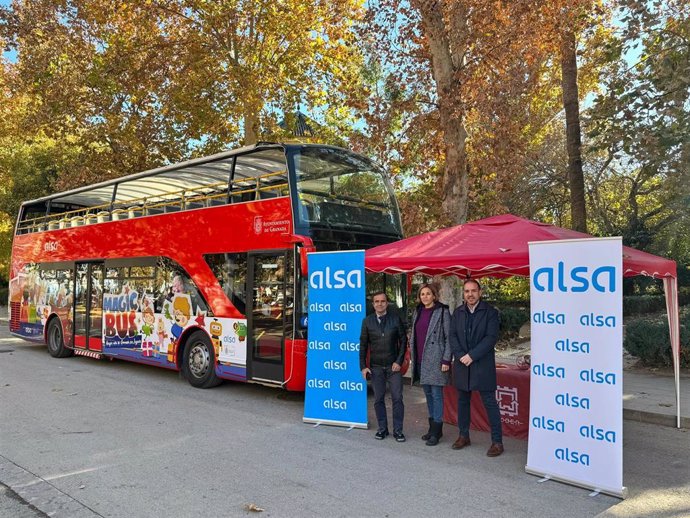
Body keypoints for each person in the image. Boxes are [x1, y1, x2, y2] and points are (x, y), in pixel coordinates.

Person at [449, 279, 504, 457]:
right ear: (463, 294)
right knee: (463, 402)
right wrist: (460, 356)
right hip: (462, 364)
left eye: (473, 291)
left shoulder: (490, 312)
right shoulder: (458, 313)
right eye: (466, 291)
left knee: (490, 403)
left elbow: (490, 338)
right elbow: (453, 336)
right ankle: (464, 436)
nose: (470, 294)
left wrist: (472, 355)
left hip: (482, 364)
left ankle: (497, 442)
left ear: (480, 292)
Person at [360, 291, 407, 442]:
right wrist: (363, 366)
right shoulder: (367, 321)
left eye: (383, 301)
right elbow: (363, 345)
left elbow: (403, 342)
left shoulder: (395, 319)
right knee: (378, 399)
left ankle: (398, 431)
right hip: (376, 367)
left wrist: (399, 362)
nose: (380, 304)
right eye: (377, 301)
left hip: (393, 367)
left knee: (397, 398)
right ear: (373, 304)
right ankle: (383, 429)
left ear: (387, 303)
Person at [409, 283, 451, 446]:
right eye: (422, 294)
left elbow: (449, 337)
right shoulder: (417, 311)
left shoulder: (442, 311)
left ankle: (436, 431)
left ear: (434, 295)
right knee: (427, 394)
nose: (425, 297)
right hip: (421, 359)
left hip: (436, 359)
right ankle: (432, 428)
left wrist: (446, 359)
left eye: (428, 294)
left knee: (437, 395)